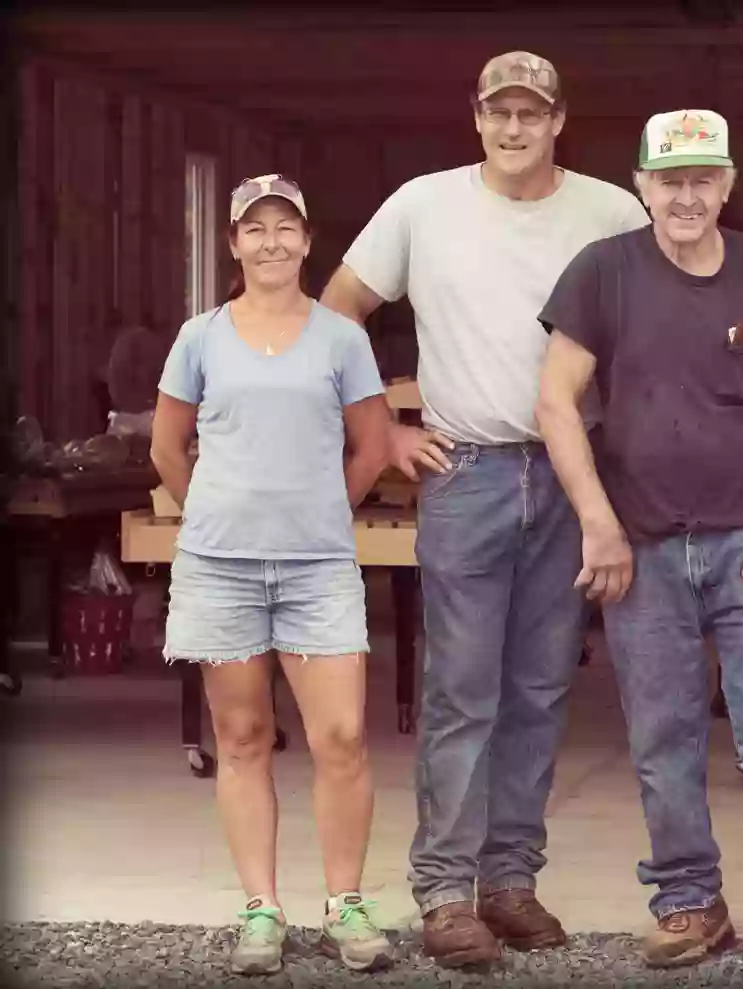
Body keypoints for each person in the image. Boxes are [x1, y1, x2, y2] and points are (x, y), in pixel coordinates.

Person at [319, 52, 649, 969]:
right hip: (464, 469)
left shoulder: (610, 212)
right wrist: (383, 429)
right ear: (476, 119)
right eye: (499, 113)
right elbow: (338, 308)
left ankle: (510, 881)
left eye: (531, 114)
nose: (514, 129)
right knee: (464, 689)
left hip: (567, 471)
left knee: (540, 688)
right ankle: (444, 890)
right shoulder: (422, 205)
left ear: (557, 121)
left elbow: (659, 320)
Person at [535, 109, 743, 983]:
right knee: (663, 734)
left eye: (702, 178)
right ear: (641, 186)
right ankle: (689, 901)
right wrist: (597, 520)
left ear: (728, 184)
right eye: (669, 179)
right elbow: (557, 400)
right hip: (644, 548)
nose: (686, 196)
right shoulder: (604, 272)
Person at [151, 174, 394, 976]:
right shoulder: (200, 336)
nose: (270, 242)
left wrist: (321, 509)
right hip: (220, 569)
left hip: (318, 567)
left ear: (307, 238)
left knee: (342, 738)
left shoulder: (340, 339)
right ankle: (261, 908)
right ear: (232, 243)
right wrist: (218, 514)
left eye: (284, 226)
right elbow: (166, 449)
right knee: (243, 737)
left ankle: (345, 906)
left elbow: (371, 446)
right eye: (253, 229)